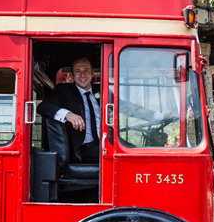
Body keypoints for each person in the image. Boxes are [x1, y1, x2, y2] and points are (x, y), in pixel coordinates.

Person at [37, 57, 167, 163]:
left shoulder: (101, 91)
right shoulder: (64, 91)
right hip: (84, 149)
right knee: (128, 158)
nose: (82, 75)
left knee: (137, 153)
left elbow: (126, 107)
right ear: (71, 75)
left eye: (86, 70)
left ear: (93, 73)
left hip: (106, 143)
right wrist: (67, 114)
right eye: (78, 71)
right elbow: (43, 107)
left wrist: (160, 116)